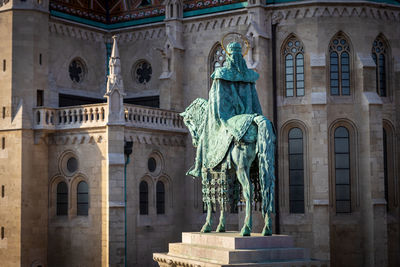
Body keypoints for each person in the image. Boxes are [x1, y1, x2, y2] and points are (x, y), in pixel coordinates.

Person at [188, 41, 263, 177]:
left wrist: (218, 114)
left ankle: (198, 167)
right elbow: (254, 99)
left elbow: (216, 99)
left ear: (228, 56)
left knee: (205, 135)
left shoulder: (221, 74)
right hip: (249, 113)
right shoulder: (249, 76)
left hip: (226, 115)